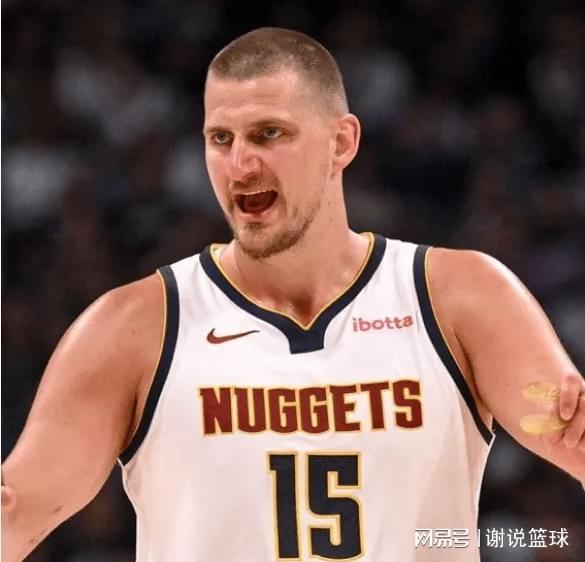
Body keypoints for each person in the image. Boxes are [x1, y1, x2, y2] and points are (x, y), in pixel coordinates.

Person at [2, 27, 584, 562]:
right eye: (220, 139)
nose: (239, 164)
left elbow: (570, 433)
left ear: (341, 142)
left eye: (268, 134)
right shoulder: (134, 328)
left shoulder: (458, 298)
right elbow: (17, 510)